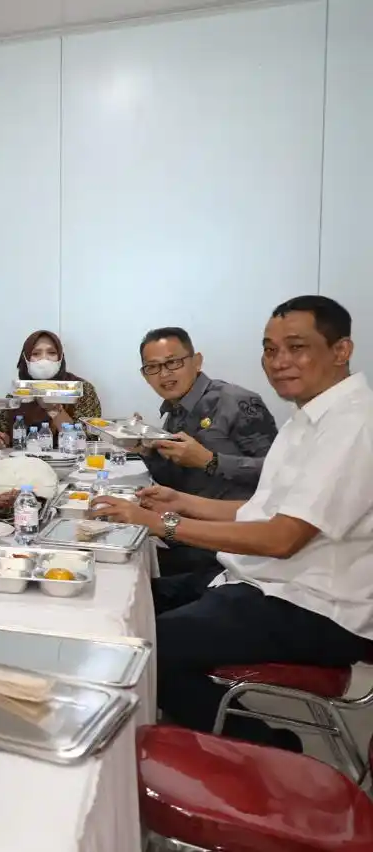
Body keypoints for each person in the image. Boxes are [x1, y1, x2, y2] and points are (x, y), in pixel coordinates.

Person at [91, 296, 373, 752]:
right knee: (127, 598)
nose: (279, 362)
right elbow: (261, 509)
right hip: (265, 580)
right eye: (269, 349)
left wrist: (162, 522)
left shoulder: (353, 425)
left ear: (341, 350)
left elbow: (281, 537)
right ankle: (187, 724)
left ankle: (267, 747)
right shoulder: (309, 417)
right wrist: (179, 502)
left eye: (296, 347)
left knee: (138, 647)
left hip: (315, 605)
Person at [137, 327, 278, 577]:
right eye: (153, 367)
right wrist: (145, 451)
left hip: (232, 543)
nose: (164, 374)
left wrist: (210, 461)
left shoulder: (236, 402)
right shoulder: (174, 412)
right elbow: (180, 482)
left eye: (173, 362)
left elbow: (276, 474)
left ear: (197, 361)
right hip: (189, 532)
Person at [0, 330, 102, 448]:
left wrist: (54, 409)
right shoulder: (19, 391)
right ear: (26, 358)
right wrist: (3, 441)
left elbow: (90, 439)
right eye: (36, 354)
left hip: (70, 462)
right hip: (24, 463)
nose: (44, 359)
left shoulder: (81, 390)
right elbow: (2, 436)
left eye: (52, 353)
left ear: (60, 357)